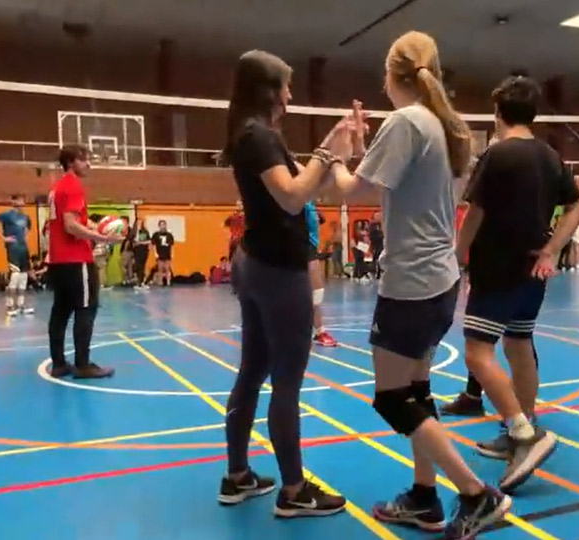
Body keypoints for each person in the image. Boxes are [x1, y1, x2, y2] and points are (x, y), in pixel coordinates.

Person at [326, 31, 511, 538]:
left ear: (391, 74)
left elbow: (348, 191)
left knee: (391, 398)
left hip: (410, 283)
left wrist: (335, 154)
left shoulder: (406, 121)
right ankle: (425, 497)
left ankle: (475, 494)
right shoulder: (442, 125)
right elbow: (396, 180)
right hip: (441, 280)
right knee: (417, 391)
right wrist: (365, 150)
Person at [218, 49, 354, 518]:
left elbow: (306, 185)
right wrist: (326, 153)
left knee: (253, 371)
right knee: (286, 383)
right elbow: (295, 198)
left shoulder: (256, 136)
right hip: (277, 271)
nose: (292, 94)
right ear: (269, 90)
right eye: (286, 85)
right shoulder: (257, 137)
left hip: (259, 265)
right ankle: (294, 490)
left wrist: (335, 147)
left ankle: (237, 476)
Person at [454, 75, 579, 488]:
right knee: (517, 343)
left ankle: (526, 436)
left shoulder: (497, 154)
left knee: (477, 354)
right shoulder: (550, 156)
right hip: (533, 272)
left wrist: (458, 254)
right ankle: (521, 426)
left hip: (499, 269)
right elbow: (578, 205)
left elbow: (475, 212)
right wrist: (552, 249)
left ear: (497, 114)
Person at [47, 145, 121, 379]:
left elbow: (68, 222)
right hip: (76, 259)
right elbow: (70, 226)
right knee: (86, 309)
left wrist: (94, 226)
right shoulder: (73, 186)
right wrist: (103, 238)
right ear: (71, 162)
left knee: (60, 311)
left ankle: (59, 364)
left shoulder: (57, 187)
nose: (88, 164)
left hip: (57, 260)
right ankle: (83, 364)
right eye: (84, 159)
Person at [305, 201, 338, 347]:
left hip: (311, 248)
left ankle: (319, 332)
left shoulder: (310, 204)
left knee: (316, 294)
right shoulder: (296, 201)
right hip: (298, 248)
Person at [0, 194, 34, 316]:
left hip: (23, 249)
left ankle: (21, 305)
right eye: (18, 199)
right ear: (13, 201)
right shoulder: (6, 215)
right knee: (15, 276)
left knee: (23, 278)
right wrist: (4, 238)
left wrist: (24, 238)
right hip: (13, 248)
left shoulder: (25, 217)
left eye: (23, 199)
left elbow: (28, 229)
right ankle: (10, 305)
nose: (21, 202)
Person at [151, 220, 175, 286]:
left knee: (167, 268)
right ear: (159, 226)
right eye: (161, 225)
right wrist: (155, 253)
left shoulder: (169, 235)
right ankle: (160, 282)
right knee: (160, 268)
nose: (162, 226)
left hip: (167, 253)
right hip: (160, 253)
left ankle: (168, 282)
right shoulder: (156, 235)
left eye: (164, 225)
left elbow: (172, 245)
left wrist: (172, 253)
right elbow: (154, 245)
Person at [133, 219, 151, 288]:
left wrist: (141, 243)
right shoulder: (133, 231)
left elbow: (148, 241)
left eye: (140, 223)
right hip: (136, 251)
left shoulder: (145, 231)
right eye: (137, 223)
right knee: (137, 266)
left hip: (143, 251)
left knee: (142, 266)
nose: (139, 224)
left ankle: (141, 282)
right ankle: (138, 280)